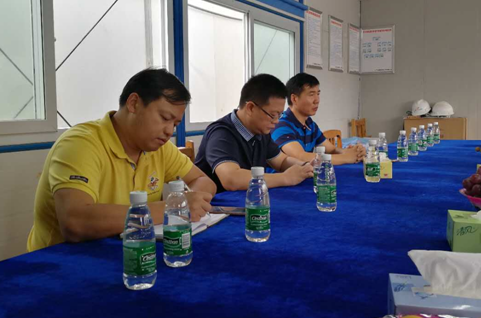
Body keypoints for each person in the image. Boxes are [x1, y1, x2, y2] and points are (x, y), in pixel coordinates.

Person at [28, 68, 216, 251]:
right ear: (134, 103)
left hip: (132, 252)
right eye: (164, 118)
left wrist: (192, 200)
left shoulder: (159, 148)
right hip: (61, 261)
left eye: (175, 124)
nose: (169, 131)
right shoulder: (80, 144)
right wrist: (173, 208)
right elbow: (75, 222)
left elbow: (202, 180)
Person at [195, 74, 314, 193]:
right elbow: (231, 179)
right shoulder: (221, 134)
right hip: (217, 202)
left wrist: (306, 166)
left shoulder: (260, 131)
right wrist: (285, 178)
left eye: (280, 115)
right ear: (251, 108)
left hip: (250, 198)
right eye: (273, 115)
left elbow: (281, 161)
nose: (277, 121)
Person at [271, 73, 365, 164]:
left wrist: (352, 152)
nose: (317, 100)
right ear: (294, 99)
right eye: (311, 94)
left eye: (318, 94)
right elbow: (301, 157)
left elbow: (332, 150)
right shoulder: (281, 125)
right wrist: (345, 158)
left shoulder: (309, 124)